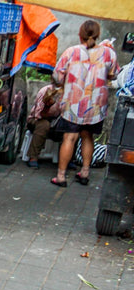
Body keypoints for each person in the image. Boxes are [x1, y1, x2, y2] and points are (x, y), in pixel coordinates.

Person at [50, 20, 117, 187]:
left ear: (80, 34)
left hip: (73, 103)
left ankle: (61, 176)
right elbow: (113, 76)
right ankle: (85, 173)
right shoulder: (109, 54)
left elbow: (57, 77)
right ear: (98, 35)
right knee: (88, 137)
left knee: (69, 138)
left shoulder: (70, 52)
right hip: (95, 105)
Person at [24, 83, 61, 169]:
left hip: (57, 120)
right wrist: (48, 105)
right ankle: (33, 157)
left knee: (72, 128)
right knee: (44, 125)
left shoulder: (70, 93)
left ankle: (69, 160)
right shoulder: (45, 91)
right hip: (37, 119)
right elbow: (38, 115)